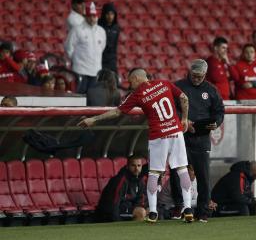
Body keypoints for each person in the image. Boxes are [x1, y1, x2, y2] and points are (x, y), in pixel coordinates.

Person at [78, 68, 194, 223]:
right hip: (175, 132)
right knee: (182, 169)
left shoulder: (138, 94)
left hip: (158, 135)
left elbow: (118, 112)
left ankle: (152, 212)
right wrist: (184, 119)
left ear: (138, 78)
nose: (129, 83)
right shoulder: (164, 83)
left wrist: (93, 120)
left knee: (153, 173)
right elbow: (184, 98)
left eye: (130, 80)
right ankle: (188, 208)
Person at [170, 59, 225, 223]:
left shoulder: (211, 90)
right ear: (189, 72)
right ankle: (179, 205)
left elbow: (219, 111)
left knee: (203, 176)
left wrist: (216, 123)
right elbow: (170, 109)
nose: (196, 79)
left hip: (201, 137)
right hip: (181, 136)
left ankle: (202, 212)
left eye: (200, 76)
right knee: (176, 172)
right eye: (194, 75)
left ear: (205, 75)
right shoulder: (178, 86)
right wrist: (184, 121)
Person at [65, 2, 106, 94]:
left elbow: (101, 48)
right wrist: (76, 60)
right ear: (86, 17)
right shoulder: (77, 29)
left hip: (95, 70)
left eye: (94, 16)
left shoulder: (101, 31)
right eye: (90, 16)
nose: (92, 19)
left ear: (97, 17)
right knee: (79, 96)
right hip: (80, 70)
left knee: (92, 97)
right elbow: (68, 47)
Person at [96, 155, 146, 222]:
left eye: (139, 166)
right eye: (133, 165)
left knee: (149, 212)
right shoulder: (121, 179)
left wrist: (135, 208)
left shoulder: (140, 180)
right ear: (127, 166)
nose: (136, 169)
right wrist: (117, 221)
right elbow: (114, 203)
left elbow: (139, 199)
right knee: (140, 212)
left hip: (127, 207)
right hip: (110, 211)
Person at [98, 3, 120, 74]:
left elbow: (115, 45)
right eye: (107, 14)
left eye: (112, 14)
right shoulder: (98, 26)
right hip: (100, 59)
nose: (110, 16)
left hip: (111, 60)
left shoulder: (116, 28)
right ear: (104, 14)